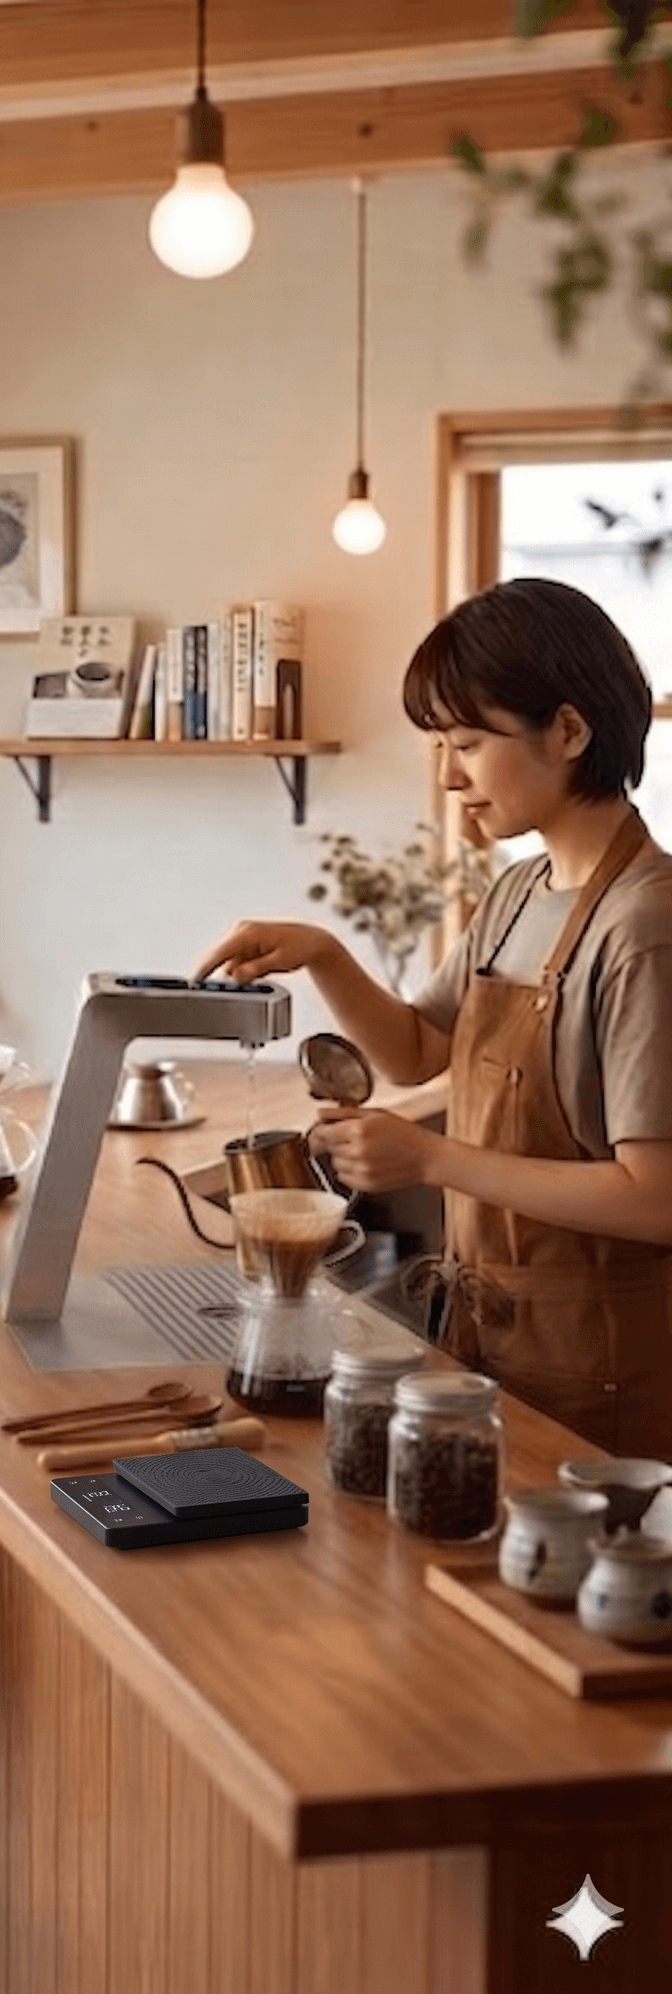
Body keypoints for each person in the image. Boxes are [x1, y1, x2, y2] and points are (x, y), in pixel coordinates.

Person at [195, 578, 672, 1457]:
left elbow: (657, 1201)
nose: (449, 775)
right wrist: (326, 954)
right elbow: (416, 1051)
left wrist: (433, 1157)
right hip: (491, 1339)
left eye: (468, 743)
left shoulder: (645, 923)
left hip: (600, 1368)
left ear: (569, 731)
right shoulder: (518, 890)